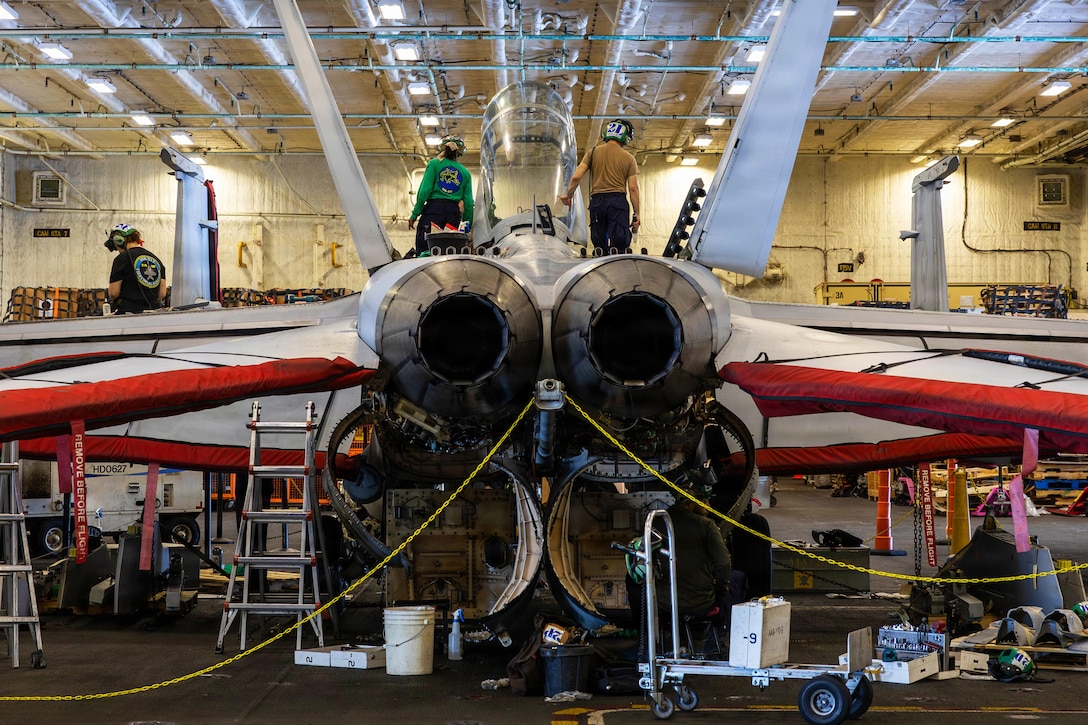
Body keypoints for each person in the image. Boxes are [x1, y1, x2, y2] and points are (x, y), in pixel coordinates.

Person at [559, 118, 641, 254]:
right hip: (617, 202)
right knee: (619, 244)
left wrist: (569, 196)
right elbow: (633, 188)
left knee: (599, 246)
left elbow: (576, 177)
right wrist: (637, 214)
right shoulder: (629, 158)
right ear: (625, 137)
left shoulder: (592, 153)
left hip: (597, 203)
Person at [408, 135, 474, 255]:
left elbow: (424, 192)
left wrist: (415, 214)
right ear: (460, 152)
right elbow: (469, 203)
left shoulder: (434, 164)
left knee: (425, 248)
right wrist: (467, 224)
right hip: (453, 214)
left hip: (433, 210)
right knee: (449, 251)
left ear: (442, 149)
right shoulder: (465, 173)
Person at [104, 223, 167, 314]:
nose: (118, 251)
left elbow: (114, 293)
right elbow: (162, 294)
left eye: (117, 248)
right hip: (153, 313)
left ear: (119, 241)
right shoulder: (157, 260)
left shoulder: (121, 259)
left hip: (127, 314)